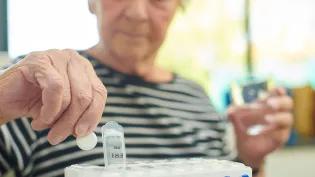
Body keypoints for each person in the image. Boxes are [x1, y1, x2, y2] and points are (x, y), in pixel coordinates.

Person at [0, 0, 293, 177]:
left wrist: (250, 162)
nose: (138, 12)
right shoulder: (44, 87)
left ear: (178, 6)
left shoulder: (197, 99)